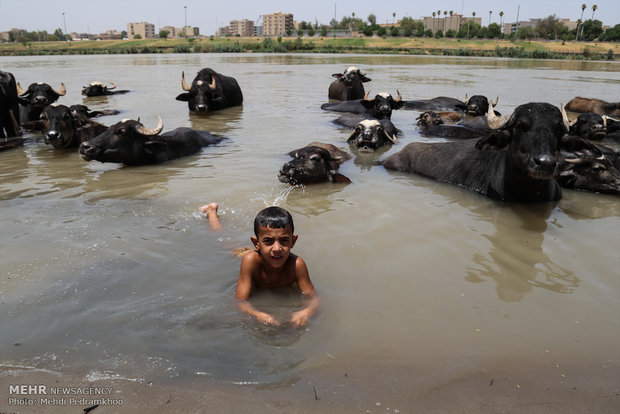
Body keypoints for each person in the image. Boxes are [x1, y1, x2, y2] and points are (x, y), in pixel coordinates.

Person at [200, 202, 319, 327]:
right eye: (268, 241)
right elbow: (240, 302)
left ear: (293, 241)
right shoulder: (250, 261)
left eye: (284, 240)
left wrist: (306, 312)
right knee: (225, 241)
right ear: (256, 243)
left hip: (264, 254)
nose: (277, 248)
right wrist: (257, 314)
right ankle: (211, 212)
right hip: (243, 253)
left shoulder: (296, 265)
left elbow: (315, 299)